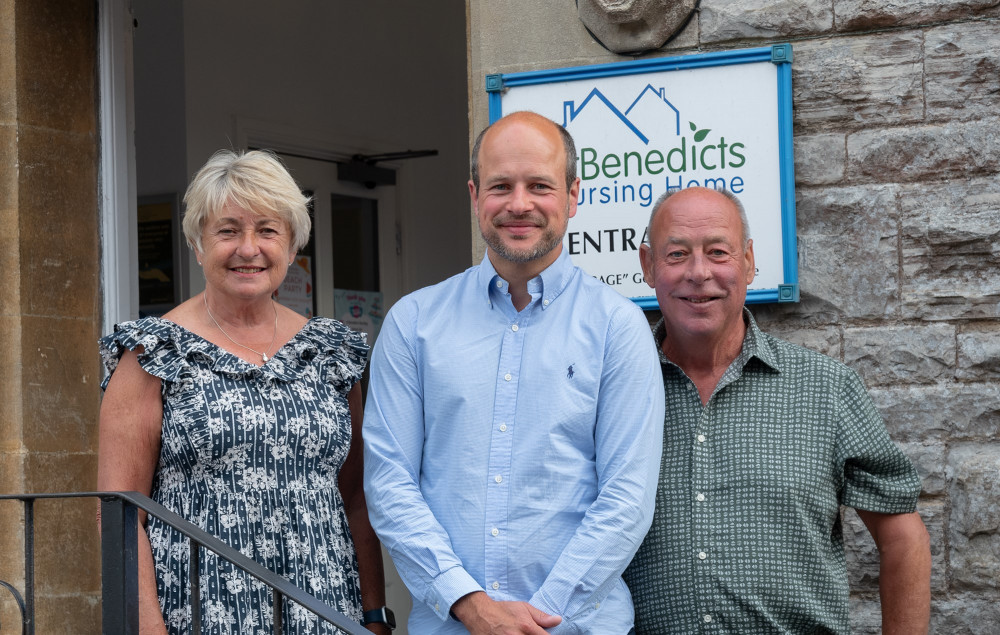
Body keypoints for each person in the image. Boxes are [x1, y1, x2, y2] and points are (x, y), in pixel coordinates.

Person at [362, 111, 665, 634]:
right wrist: (473, 607)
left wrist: (535, 621)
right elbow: (390, 484)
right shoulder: (413, 324)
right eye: (501, 185)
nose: (519, 204)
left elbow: (627, 498)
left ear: (572, 196)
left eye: (539, 186)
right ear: (475, 195)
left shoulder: (618, 326)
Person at [97, 150, 391, 634]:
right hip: (200, 613)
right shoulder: (153, 353)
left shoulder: (332, 353)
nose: (248, 248)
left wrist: (374, 615)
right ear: (197, 243)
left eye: (268, 230)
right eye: (228, 230)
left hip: (324, 611)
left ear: (293, 244)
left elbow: (355, 497)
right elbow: (120, 516)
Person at [624, 186, 931, 634]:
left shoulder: (826, 388)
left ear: (748, 261)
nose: (698, 272)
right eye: (676, 255)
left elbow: (901, 536)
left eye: (718, 252)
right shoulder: (614, 391)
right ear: (648, 266)